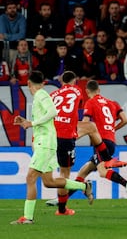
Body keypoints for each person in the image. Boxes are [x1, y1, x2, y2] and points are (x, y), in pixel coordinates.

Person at [10, 71, 93, 224]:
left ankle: (27, 218)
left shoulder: (41, 95)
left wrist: (31, 123)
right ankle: (84, 186)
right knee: (48, 182)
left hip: (46, 143)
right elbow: (46, 117)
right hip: (46, 142)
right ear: (43, 82)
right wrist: (27, 121)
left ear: (28, 84)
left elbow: (53, 112)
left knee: (30, 178)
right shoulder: (41, 96)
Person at [67, 80, 127, 203]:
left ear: (87, 91)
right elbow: (125, 120)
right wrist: (113, 129)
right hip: (111, 142)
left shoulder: (90, 102)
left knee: (103, 172)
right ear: (99, 90)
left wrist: (74, 136)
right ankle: (62, 200)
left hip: (100, 143)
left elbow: (86, 123)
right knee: (83, 171)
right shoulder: (112, 103)